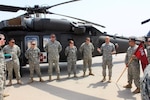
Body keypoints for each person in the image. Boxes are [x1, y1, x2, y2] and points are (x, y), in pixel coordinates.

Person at [0, 34, 6, 100]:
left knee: (2, 84)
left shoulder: (1, 49)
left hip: (2, 70)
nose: (4, 41)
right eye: (3, 39)